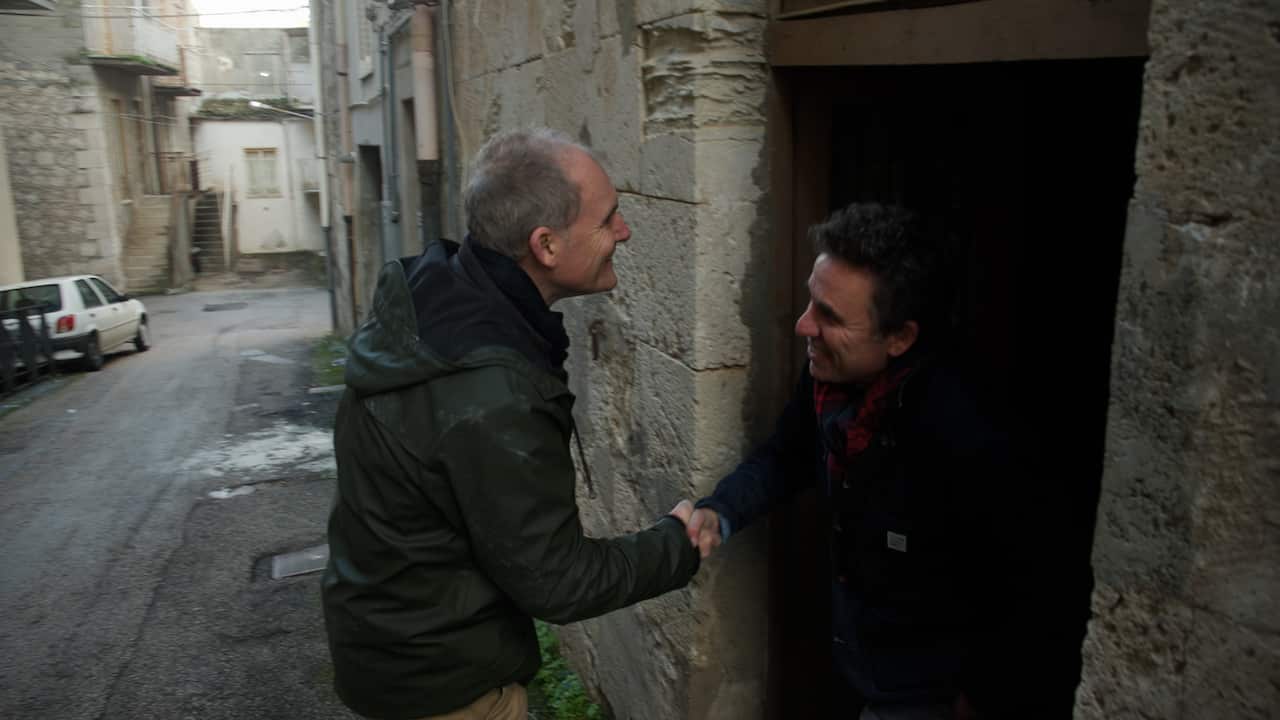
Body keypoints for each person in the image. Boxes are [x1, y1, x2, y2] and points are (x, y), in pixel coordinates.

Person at [322, 128, 700, 720]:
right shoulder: (491, 387)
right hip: (445, 688)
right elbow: (558, 581)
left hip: (390, 652)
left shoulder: (436, 292)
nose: (623, 232)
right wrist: (677, 545)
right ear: (545, 245)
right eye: (608, 220)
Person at [687, 203, 1046, 719]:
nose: (802, 326)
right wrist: (719, 512)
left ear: (900, 337)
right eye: (812, 302)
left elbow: (1015, 584)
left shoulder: (965, 432)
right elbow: (787, 456)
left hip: (925, 694)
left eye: (829, 317)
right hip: (858, 662)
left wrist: (983, 693)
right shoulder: (828, 377)